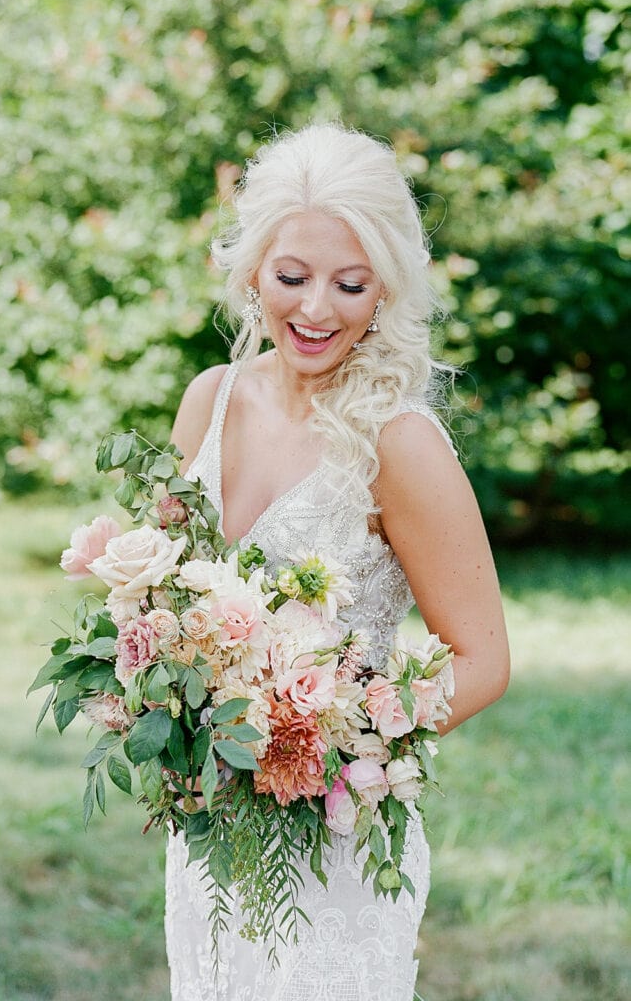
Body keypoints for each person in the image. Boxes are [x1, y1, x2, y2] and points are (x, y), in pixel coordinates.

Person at [164, 123, 510, 1001]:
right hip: (207, 829)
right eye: (292, 277)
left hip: (334, 846)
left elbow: (482, 660)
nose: (316, 309)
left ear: (384, 290)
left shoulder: (400, 443)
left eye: (350, 285)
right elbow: (164, 598)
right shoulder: (210, 400)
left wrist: (331, 744)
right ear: (251, 271)